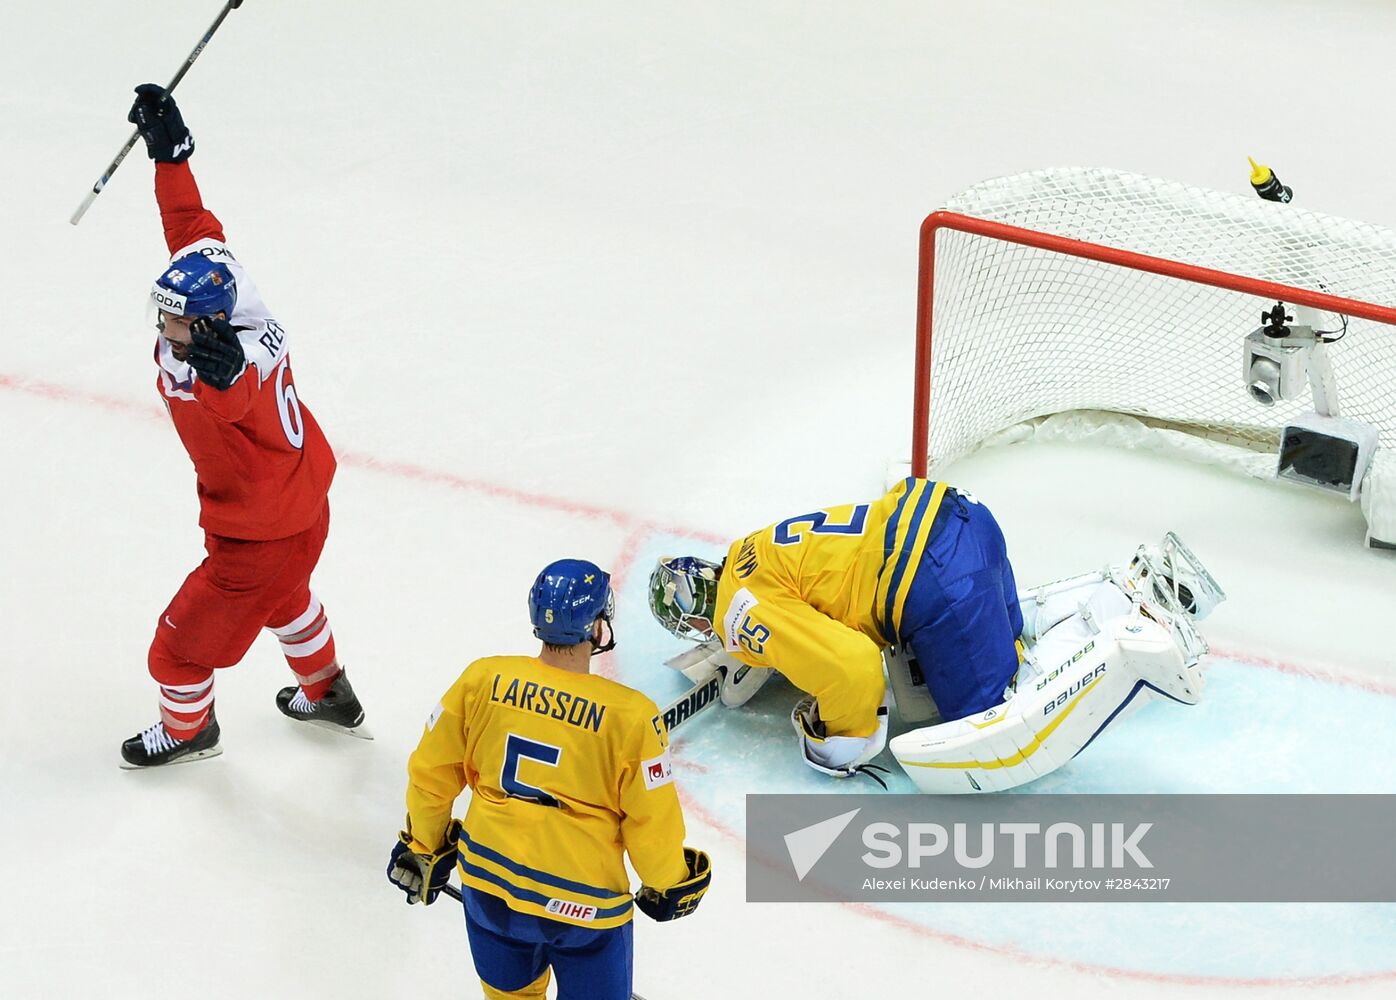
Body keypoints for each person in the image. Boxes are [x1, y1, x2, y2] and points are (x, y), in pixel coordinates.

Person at [648, 478, 1224, 785]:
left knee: (992, 708)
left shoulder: (737, 611)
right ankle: (1126, 588)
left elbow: (848, 665)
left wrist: (837, 740)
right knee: (1007, 639)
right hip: (958, 514)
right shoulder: (747, 551)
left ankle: (1133, 635)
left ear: (698, 621)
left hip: (933, 577)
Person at [119, 85, 364, 768]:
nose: (161, 327)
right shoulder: (230, 287)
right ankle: (328, 692)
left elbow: (233, 398)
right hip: (303, 505)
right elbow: (191, 228)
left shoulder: (218, 379)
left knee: (176, 650)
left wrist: (221, 381)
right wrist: (172, 156)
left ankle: (190, 731)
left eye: (171, 319)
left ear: (206, 327)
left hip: (254, 536)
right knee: (288, 596)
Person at [388, 559, 710, 1000]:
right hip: (583, 906)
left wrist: (424, 845)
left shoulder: (482, 678)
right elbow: (651, 820)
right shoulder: (633, 717)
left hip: (487, 883)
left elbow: (431, 772)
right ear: (597, 626)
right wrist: (668, 881)